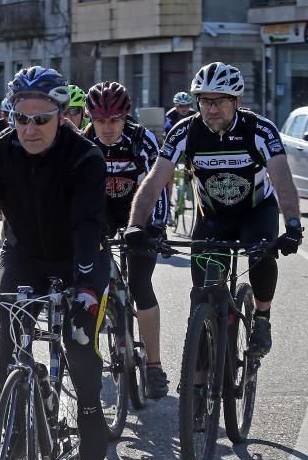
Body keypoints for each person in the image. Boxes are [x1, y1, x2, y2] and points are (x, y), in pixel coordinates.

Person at [0, 66, 110, 460]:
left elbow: (88, 224)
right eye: (21, 119)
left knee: (81, 337)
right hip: (24, 254)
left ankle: (88, 408)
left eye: (41, 120)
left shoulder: (85, 155)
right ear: (9, 115)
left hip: (79, 255)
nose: (30, 129)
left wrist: (85, 290)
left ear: (63, 116)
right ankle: (17, 426)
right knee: (12, 339)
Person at [127, 61, 303, 359]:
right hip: (213, 218)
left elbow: (282, 179)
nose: (211, 109)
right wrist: (135, 224)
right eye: (205, 101)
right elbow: (155, 180)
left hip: (255, 211)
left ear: (237, 101)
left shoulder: (260, 130)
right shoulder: (186, 132)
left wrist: (294, 225)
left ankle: (261, 316)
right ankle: (196, 381)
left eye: (219, 101)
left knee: (261, 255)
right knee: (201, 297)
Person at [83, 81, 170, 398]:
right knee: (90, 279)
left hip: (139, 212)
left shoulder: (140, 139)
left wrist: (153, 227)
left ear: (126, 118)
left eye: (114, 120)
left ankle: (154, 365)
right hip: (103, 213)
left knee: (140, 285)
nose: (107, 128)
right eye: (100, 120)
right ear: (90, 118)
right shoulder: (84, 142)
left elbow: (156, 185)